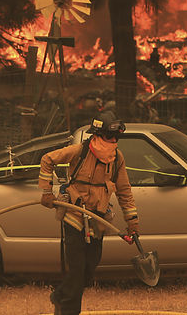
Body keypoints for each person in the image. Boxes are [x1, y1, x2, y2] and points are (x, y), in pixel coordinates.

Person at [39, 111, 139, 315]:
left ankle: (59, 296)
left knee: (87, 273)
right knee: (76, 272)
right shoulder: (79, 151)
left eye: (115, 138)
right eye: (108, 137)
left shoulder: (117, 159)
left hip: (98, 220)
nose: (112, 142)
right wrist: (47, 191)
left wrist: (133, 221)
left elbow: (124, 191)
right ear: (97, 135)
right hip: (74, 217)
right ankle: (68, 310)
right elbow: (47, 159)